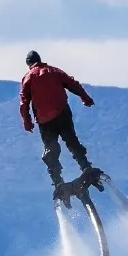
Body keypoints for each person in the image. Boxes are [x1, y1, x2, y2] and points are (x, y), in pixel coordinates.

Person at [19, 50, 96, 189]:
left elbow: (24, 101)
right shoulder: (55, 71)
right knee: (71, 140)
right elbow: (73, 84)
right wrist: (86, 98)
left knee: (51, 149)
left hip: (44, 120)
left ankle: (57, 181)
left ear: (28, 64)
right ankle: (85, 166)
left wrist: (27, 121)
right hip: (62, 113)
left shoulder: (28, 77)